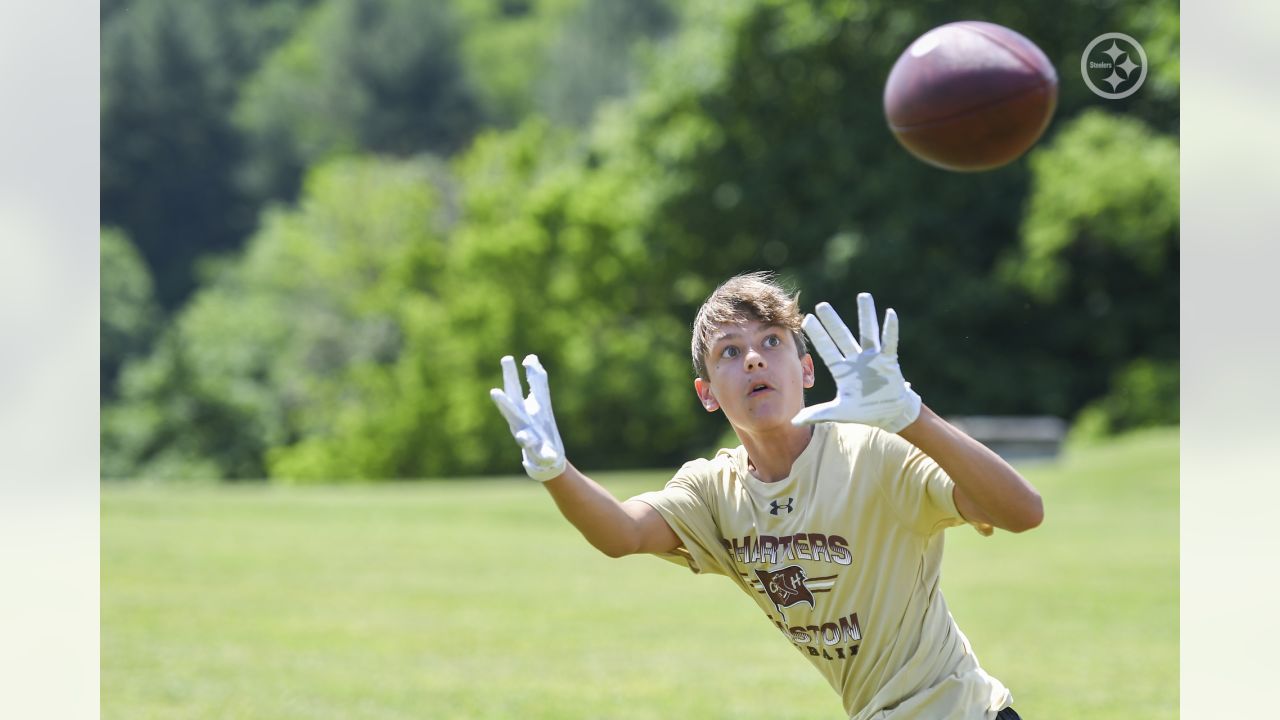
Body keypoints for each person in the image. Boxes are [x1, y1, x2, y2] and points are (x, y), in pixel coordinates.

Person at [489, 272, 1043, 719]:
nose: (753, 359)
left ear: (806, 369)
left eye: (771, 342)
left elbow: (1023, 512)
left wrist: (912, 416)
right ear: (707, 394)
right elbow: (623, 533)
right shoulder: (714, 492)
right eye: (730, 352)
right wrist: (555, 470)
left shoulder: (873, 454)